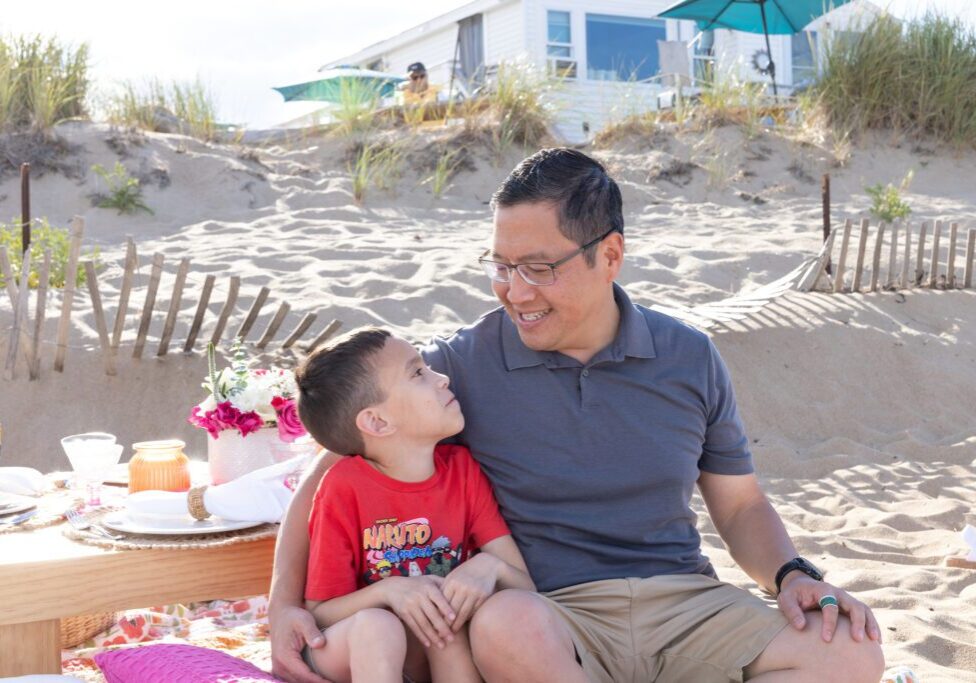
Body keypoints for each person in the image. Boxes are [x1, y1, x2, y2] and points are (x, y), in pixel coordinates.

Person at [270, 148, 886, 683]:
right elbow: (334, 464)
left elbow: (741, 505)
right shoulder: (460, 365)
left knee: (851, 653)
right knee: (504, 623)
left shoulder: (689, 356)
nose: (515, 291)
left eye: (539, 269)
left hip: (685, 603)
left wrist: (791, 575)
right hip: (550, 617)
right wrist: (283, 608)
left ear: (610, 255)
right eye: (501, 267)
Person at [293, 327, 534, 682]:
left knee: (446, 619)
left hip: (431, 646)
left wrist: (489, 567)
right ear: (376, 421)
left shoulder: (463, 472)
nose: (442, 378)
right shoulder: (344, 487)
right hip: (355, 647)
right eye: (418, 373)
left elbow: (525, 587)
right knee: (379, 626)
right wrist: (390, 591)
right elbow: (322, 612)